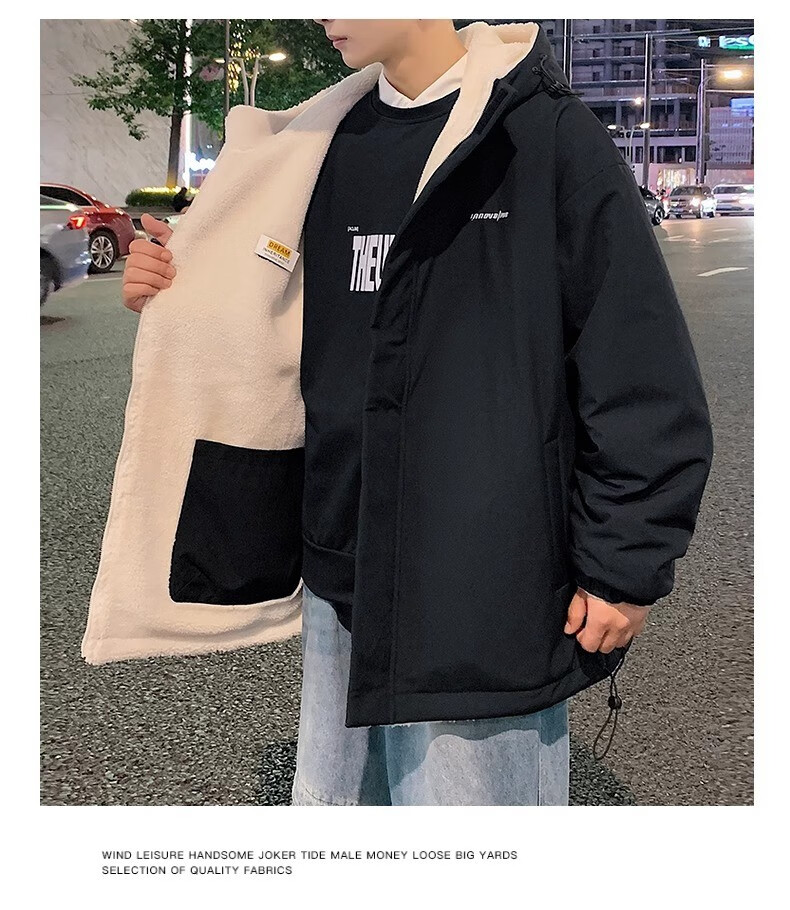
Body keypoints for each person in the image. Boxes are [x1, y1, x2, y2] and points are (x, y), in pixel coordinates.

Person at [86, 20, 713, 806]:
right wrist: (172, 287)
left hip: (483, 573)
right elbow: (267, 312)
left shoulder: (543, 133)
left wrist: (624, 564)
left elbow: (636, 362)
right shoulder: (316, 144)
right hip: (343, 560)